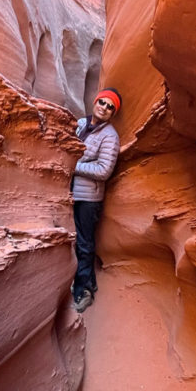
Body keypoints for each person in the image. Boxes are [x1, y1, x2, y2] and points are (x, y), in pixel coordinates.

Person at [71, 87, 121, 312]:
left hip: (88, 197)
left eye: (111, 107)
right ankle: (78, 281)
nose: (105, 108)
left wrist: (72, 166)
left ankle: (84, 289)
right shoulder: (80, 124)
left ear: (113, 114)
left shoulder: (110, 136)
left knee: (84, 242)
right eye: (103, 102)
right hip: (70, 190)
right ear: (95, 101)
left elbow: (103, 170)